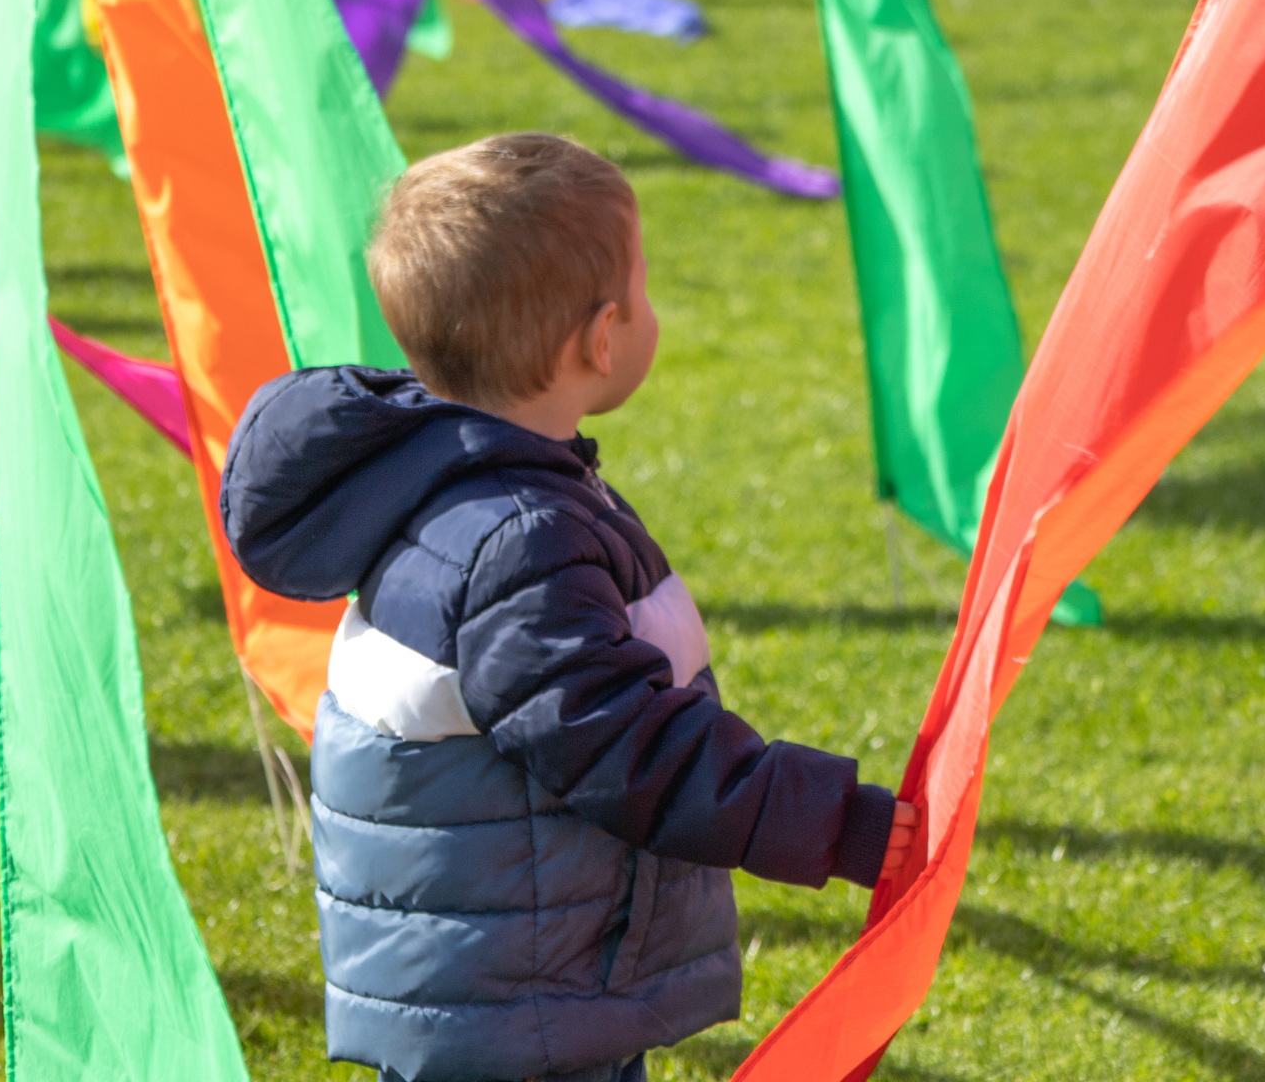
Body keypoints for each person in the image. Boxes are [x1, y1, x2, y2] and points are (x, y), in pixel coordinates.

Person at [220, 133, 916, 1082]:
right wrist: (833, 821)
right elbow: (623, 746)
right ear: (600, 337)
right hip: (519, 1007)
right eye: (643, 290)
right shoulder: (519, 540)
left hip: (506, 986)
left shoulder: (463, 482)